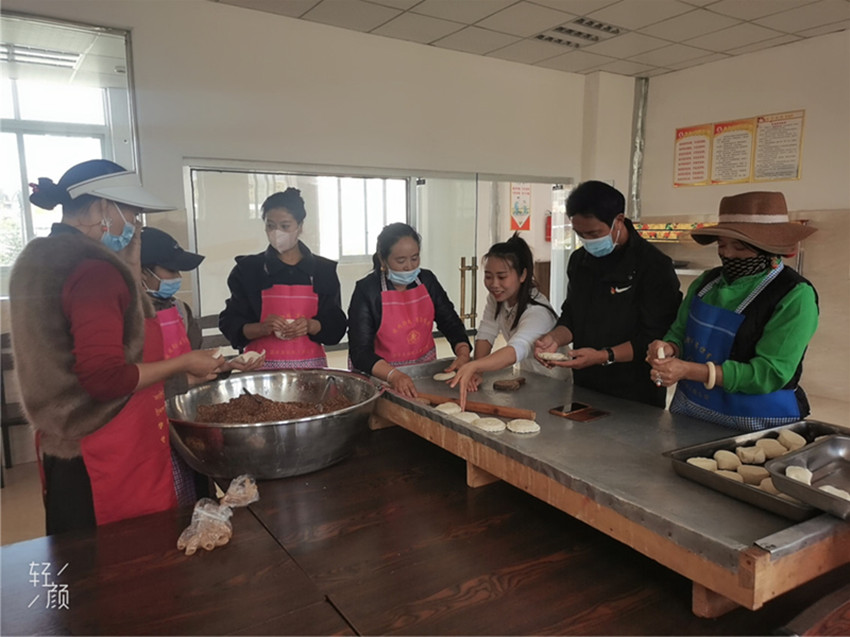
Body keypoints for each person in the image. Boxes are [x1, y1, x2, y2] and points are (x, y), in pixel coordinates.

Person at [9, 159, 225, 535]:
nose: (136, 224)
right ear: (102, 208)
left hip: (63, 444)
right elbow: (106, 378)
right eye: (132, 213)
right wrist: (183, 362)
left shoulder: (36, 258)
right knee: (127, 557)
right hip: (106, 450)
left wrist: (128, 264)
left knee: (80, 558)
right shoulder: (94, 271)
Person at [647, 191, 818, 431]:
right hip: (692, 410)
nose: (727, 254)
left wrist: (689, 370)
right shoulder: (707, 283)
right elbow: (680, 331)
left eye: (739, 247)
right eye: (722, 245)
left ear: (768, 248)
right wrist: (669, 348)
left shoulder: (795, 295)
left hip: (757, 421)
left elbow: (769, 373)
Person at [534, 181, 682, 408]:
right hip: (585, 384)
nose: (588, 240)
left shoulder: (654, 266)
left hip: (634, 391)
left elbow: (654, 338)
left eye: (594, 233)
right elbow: (572, 316)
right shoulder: (580, 261)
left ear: (618, 220)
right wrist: (554, 339)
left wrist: (604, 356)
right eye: (580, 234)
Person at [219, 187, 346, 369]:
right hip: (260, 371)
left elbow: (336, 326)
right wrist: (262, 328)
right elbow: (230, 322)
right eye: (270, 226)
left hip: (311, 371)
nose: (277, 232)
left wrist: (310, 326)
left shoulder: (323, 270)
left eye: (285, 226)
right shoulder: (248, 269)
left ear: (300, 226)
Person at [348, 222, 472, 398]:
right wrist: (393, 375)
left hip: (423, 375)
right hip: (380, 381)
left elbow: (450, 323)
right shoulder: (367, 290)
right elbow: (360, 352)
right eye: (401, 261)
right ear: (383, 259)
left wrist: (463, 354)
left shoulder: (427, 281)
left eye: (414, 258)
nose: (409, 267)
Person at [449, 233, 559, 407]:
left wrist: (475, 366)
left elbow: (516, 350)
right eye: (488, 276)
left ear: (522, 275)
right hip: (529, 379)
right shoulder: (497, 299)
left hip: (555, 384)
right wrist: (478, 371)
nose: (494, 284)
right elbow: (486, 334)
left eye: (501, 277)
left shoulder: (538, 312)